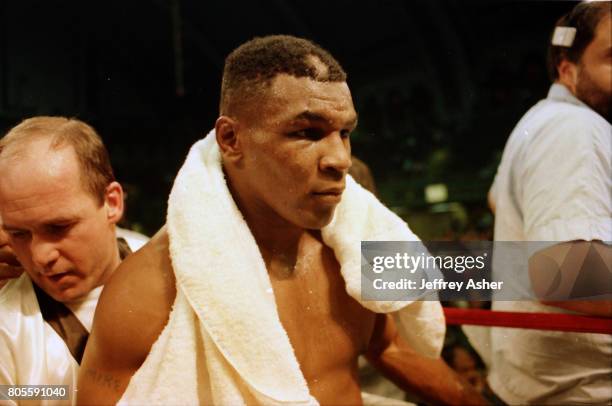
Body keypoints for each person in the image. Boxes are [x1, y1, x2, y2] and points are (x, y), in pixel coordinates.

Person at [78, 35, 486, 406]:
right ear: (231, 140)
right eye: (308, 132)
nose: (340, 159)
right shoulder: (148, 289)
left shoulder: (350, 251)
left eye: (344, 133)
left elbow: (390, 348)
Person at [480, 2, 611, 404]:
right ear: (567, 68)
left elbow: (496, 200)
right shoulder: (573, 129)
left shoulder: (544, 120)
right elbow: (564, 274)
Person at [0, 117, 141, 405]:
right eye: (19, 233)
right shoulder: (7, 327)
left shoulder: (179, 274)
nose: (40, 257)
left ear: (112, 203)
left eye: (58, 227)